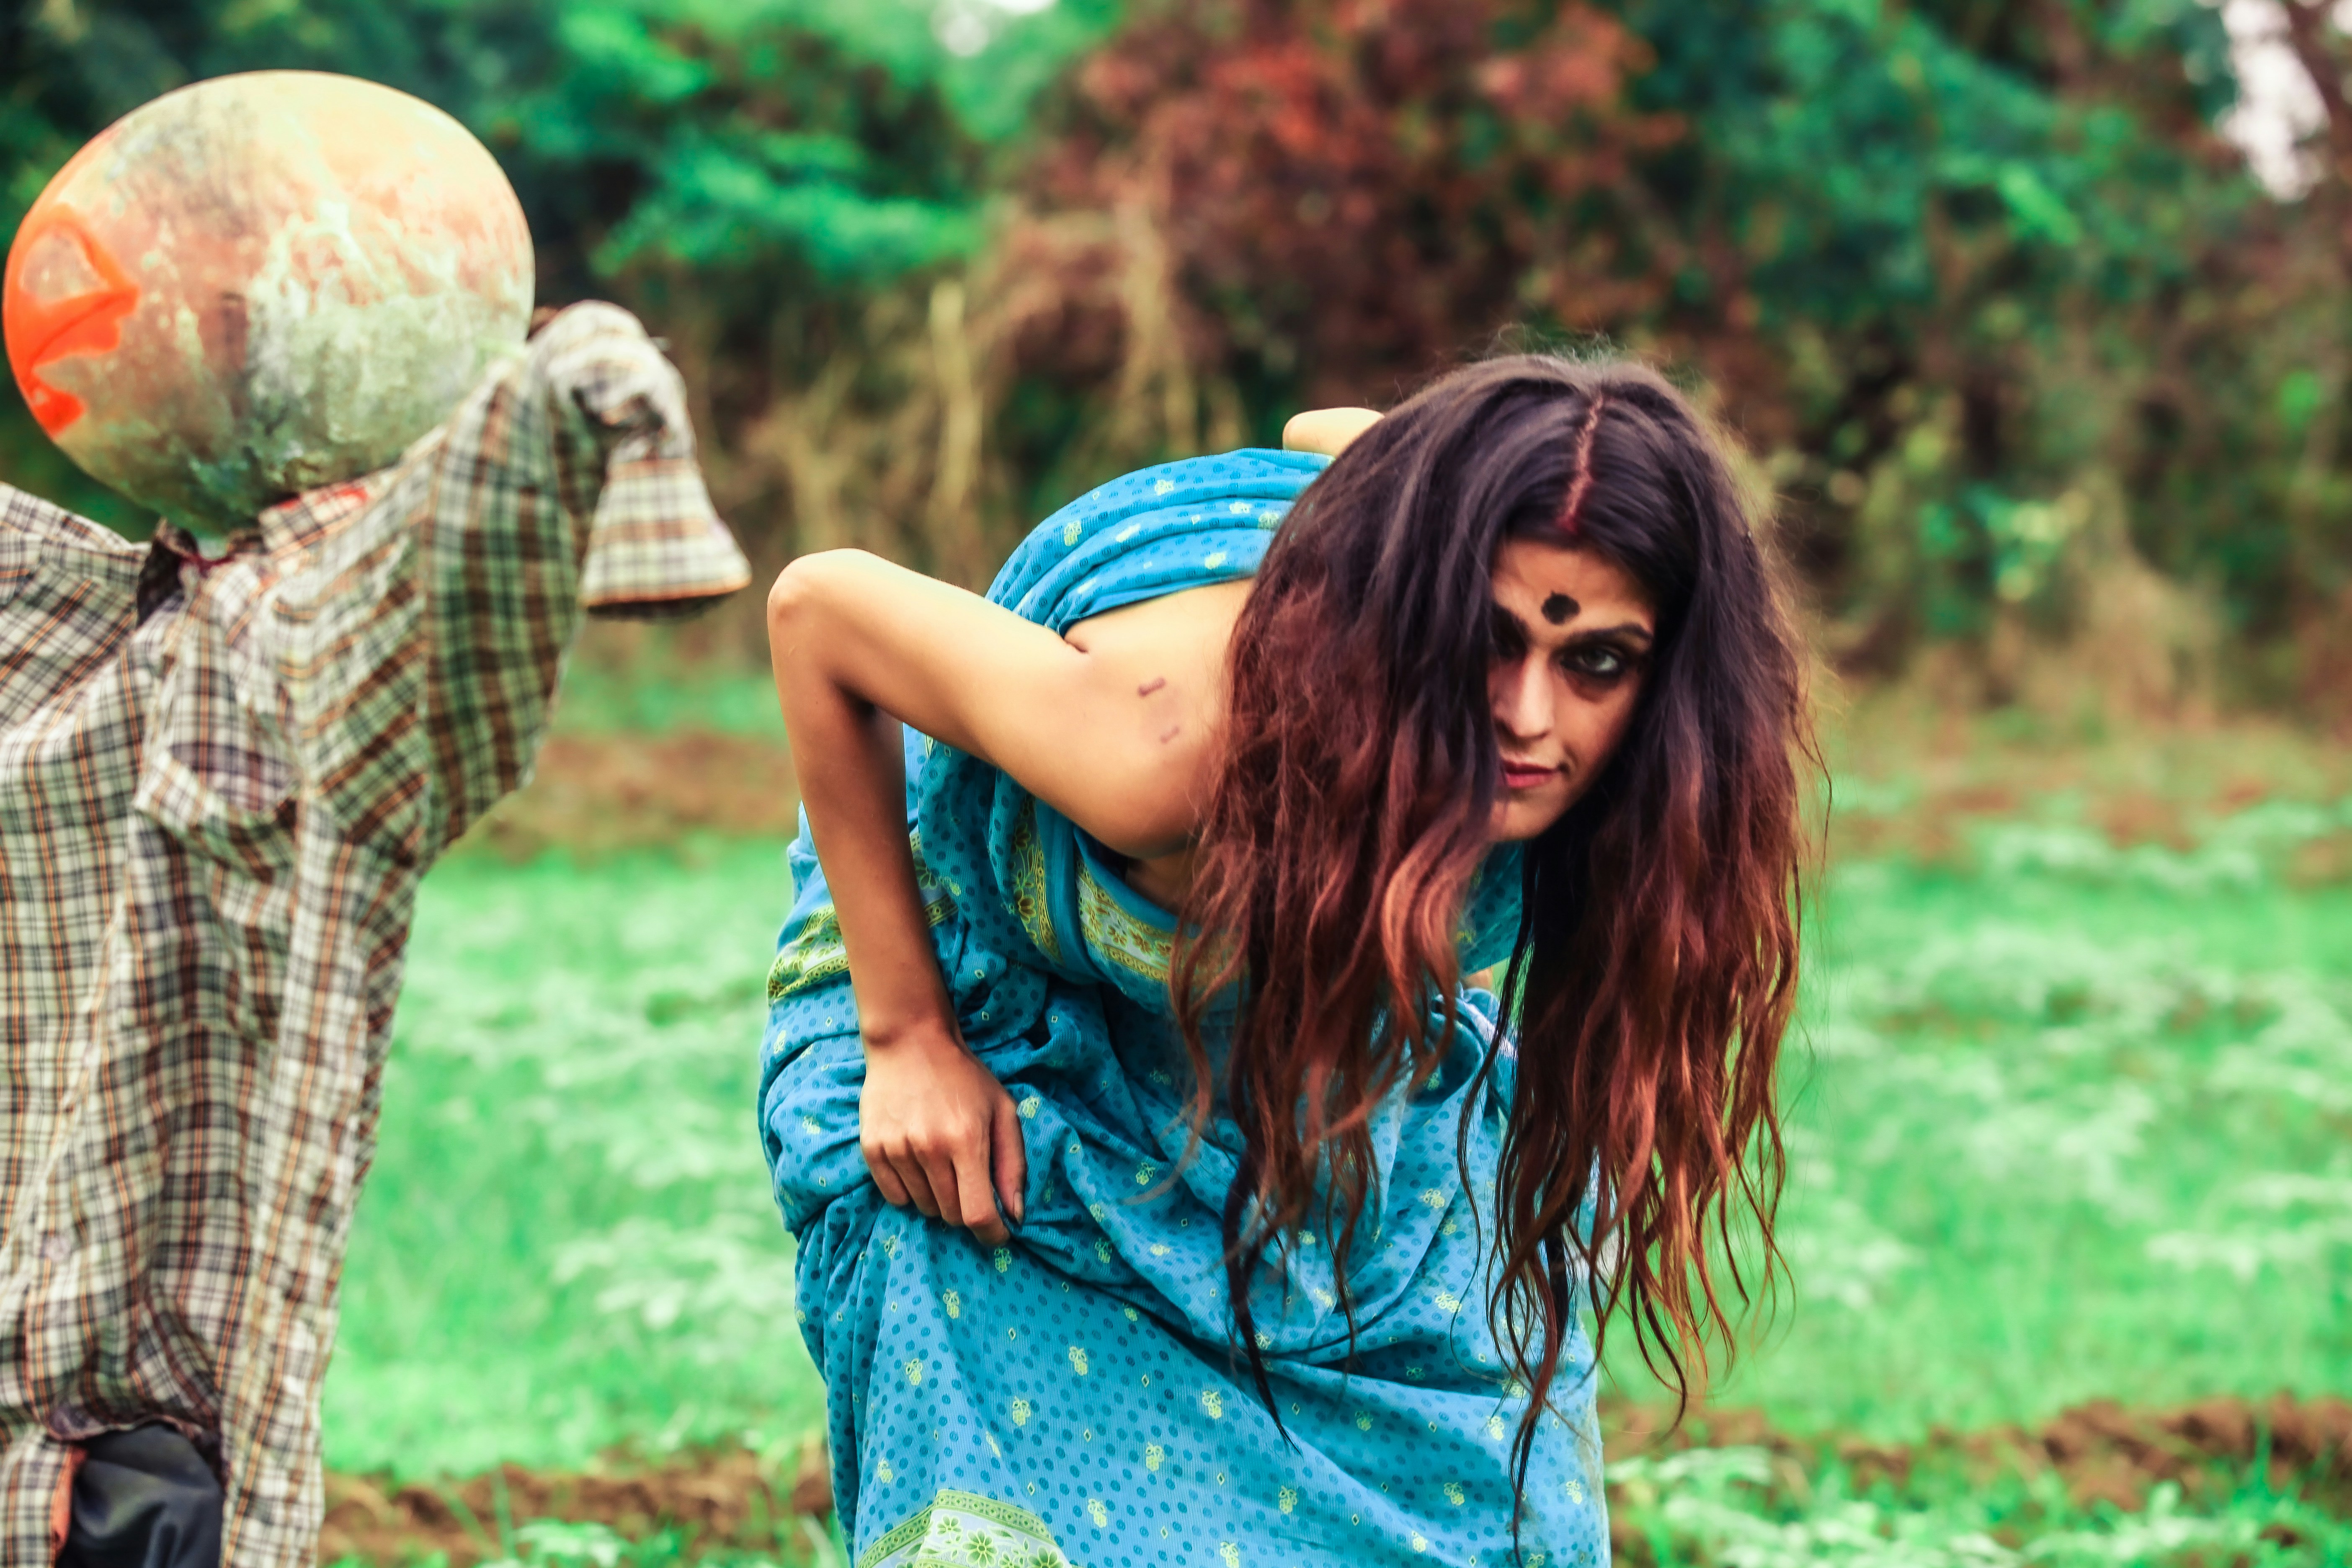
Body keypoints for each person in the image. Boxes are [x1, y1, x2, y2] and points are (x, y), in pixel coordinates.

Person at [760, 358, 1810, 1566]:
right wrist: (908, 1038)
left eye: (1596, 663)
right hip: (974, 986)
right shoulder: (1165, 749)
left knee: (1487, 1450)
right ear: (1417, 608)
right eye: (1489, 642)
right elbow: (819, 610)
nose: (1528, 716)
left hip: (1302, 1004)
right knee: (986, 1352)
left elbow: (1328, 431)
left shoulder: (1628, 779)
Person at [0, 73, 750, 1567]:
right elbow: (444, 553)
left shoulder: (152, 637)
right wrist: (582, 391)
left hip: (110, 1451)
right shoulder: (203, 637)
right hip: (119, 1466)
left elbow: (437, 559)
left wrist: (560, 415)